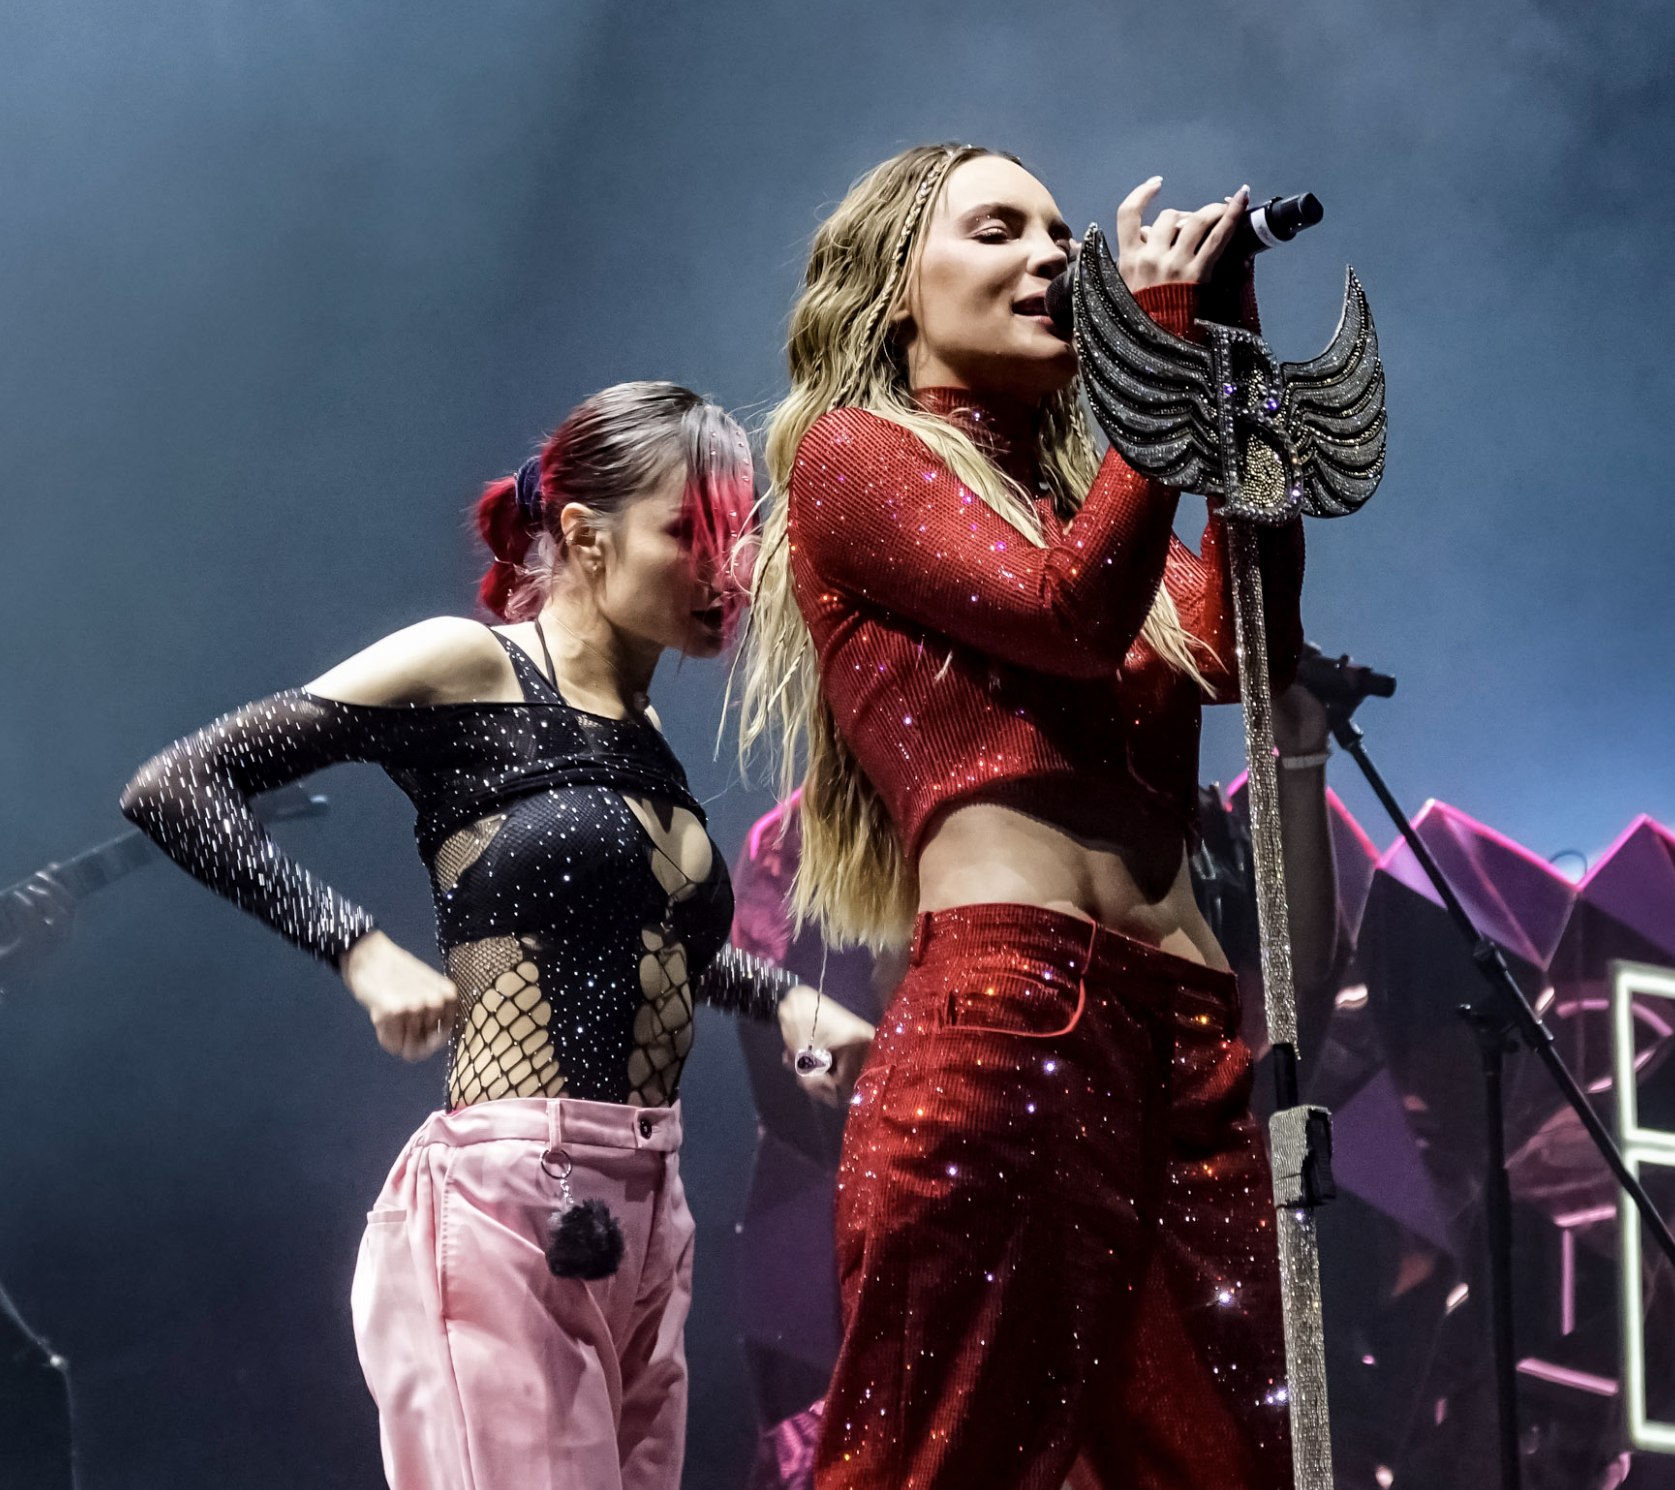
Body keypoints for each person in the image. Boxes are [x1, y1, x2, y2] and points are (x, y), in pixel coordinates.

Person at [122, 382, 840, 1490]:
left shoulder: (643, 733)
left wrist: (782, 995)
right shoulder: (469, 662)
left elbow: (638, 941)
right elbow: (178, 784)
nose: (728, 571)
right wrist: (356, 946)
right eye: (687, 534)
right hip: (515, 1201)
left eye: (737, 537)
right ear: (586, 537)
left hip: (650, 1209)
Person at [738, 146, 1306, 1489]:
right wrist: (1160, 354)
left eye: (1062, 234)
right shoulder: (849, 458)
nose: (1053, 256)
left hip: (1190, 1043)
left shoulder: (1080, 501)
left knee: (1228, 1468)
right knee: (940, 1464)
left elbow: (1241, 642)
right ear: (893, 292)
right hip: (1013, 1019)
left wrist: (1229, 357)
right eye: (999, 230)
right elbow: (1064, 613)